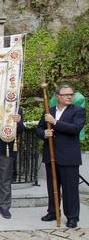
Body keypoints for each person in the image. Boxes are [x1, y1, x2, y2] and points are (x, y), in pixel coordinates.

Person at [36, 84, 86, 228]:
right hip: (51, 155)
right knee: (53, 187)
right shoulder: (49, 111)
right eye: (66, 94)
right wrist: (44, 133)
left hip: (69, 156)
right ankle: (53, 212)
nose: (70, 96)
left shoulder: (78, 111)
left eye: (71, 94)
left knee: (70, 189)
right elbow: (39, 128)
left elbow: (75, 129)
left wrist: (55, 122)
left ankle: (72, 217)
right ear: (58, 96)